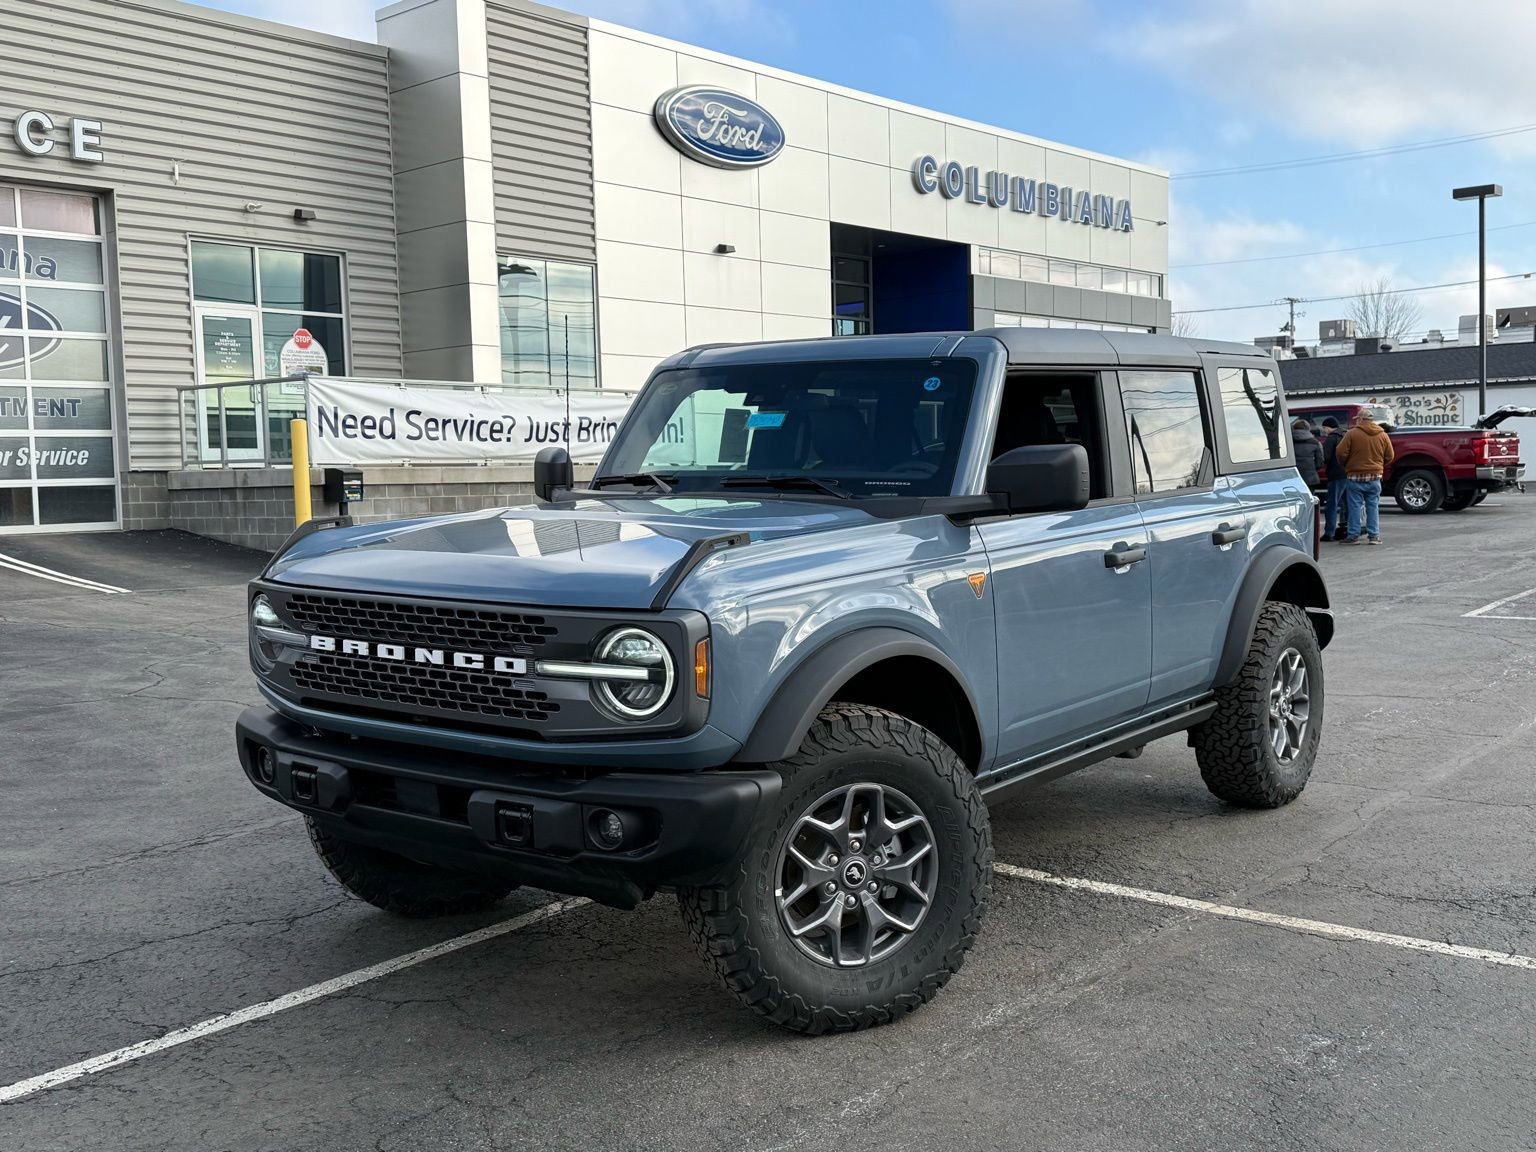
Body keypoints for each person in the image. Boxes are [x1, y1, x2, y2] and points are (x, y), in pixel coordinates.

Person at [1334, 407, 1395, 545]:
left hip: (1355, 476)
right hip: (1375, 477)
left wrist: (1346, 465)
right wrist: (1379, 465)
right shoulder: (1383, 435)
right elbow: (1390, 456)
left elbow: (1340, 452)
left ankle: (1353, 536)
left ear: (1361, 419)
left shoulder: (1351, 434)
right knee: (1372, 506)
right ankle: (1374, 536)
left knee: (1355, 507)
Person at [1319, 417, 1347, 541]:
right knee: (1347, 504)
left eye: (1324, 428)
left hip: (1335, 474)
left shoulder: (1331, 438)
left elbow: (1326, 457)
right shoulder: (1346, 435)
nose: (1324, 430)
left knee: (1332, 504)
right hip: (1348, 473)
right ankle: (1346, 529)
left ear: (1329, 427)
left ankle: (1329, 532)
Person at [1291, 417, 1323, 488]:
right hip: (1310, 477)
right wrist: (1313, 469)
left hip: (1294, 477)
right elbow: (1320, 462)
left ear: (1294, 428)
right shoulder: (1315, 442)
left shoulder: (1289, 442)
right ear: (1308, 429)